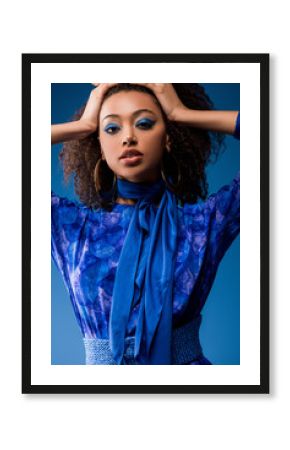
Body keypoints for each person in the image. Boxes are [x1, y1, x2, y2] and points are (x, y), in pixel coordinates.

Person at [51, 83, 240, 365]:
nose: (128, 137)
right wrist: (81, 126)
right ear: (99, 146)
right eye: (112, 128)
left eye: (144, 123)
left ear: (168, 139)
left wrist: (180, 112)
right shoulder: (70, 227)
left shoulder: (203, 225)